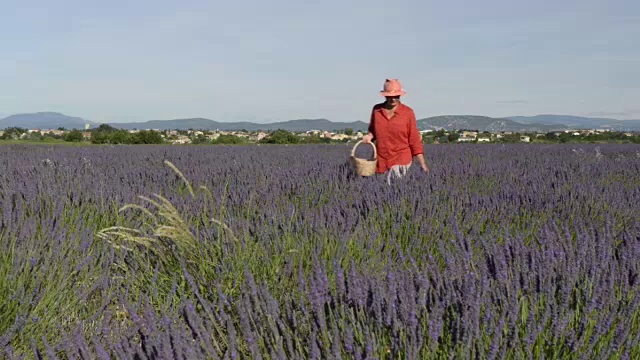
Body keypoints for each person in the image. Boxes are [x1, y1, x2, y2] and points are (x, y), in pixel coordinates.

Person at [362, 79, 429, 183]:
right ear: (384, 95)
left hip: (401, 157)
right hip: (382, 158)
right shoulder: (377, 110)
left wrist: (423, 164)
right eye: (389, 96)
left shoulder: (407, 113)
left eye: (396, 96)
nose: (393, 99)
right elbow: (373, 130)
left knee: (392, 184)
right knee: (381, 189)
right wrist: (369, 136)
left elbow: (414, 139)